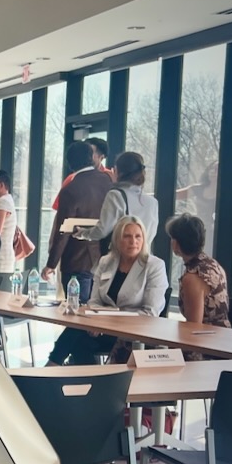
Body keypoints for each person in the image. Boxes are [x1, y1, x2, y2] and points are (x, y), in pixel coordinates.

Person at [46, 216, 167, 366]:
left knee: (76, 337)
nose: (133, 241)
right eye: (127, 236)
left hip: (133, 333)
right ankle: (93, 380)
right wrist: (97, 323)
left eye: (138, 236)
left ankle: (52, 367)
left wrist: (106, 322)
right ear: (117, 239)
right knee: (77, 334)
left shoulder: (154, 266)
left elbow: (150, 313)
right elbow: (94, 301)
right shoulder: (106, 261)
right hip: (103, 329)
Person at [43, 141, 109, 303]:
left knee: (76, 311)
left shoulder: (71, 189)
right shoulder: (109, 182)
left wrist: (51, 264)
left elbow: (63, 230)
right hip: (104, 259)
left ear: (70, 163)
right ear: (91, 158)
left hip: (76, 259)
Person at [167, 213, 230, 360]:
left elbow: (193, 327)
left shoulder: (193, 277)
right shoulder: (214, 265)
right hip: (224, 342)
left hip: (206, 349)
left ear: (176, 244)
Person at [75, 151, 159, 249]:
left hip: (122, 259)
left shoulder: (115, 195)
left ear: (117, 171)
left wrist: (82, 233)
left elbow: (102, 231)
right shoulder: (153, 202)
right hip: (144, 259)